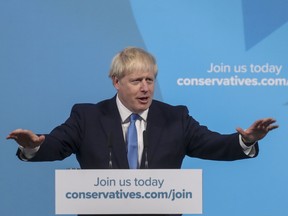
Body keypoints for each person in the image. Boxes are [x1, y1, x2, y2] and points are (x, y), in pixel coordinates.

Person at [7, 47, 278, 216]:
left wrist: (246, 140)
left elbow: (212, 144)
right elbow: (56, 145)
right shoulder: (87, 116)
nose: (145, 88)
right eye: (136, 81)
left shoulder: (175, 117)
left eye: (150, 80)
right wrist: (33, 144)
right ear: (116, 82)